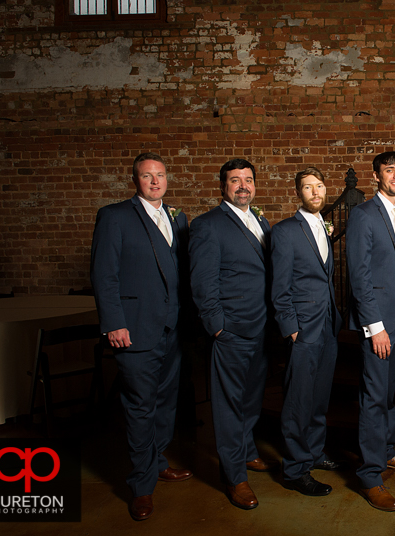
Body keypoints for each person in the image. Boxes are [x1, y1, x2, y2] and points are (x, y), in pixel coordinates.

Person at [90, 152, 192, 521]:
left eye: (160, 175)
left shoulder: (177, 218)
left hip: (172, 328)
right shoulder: (115, 216)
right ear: (135, 180)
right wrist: (114, 323)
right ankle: (141, 485)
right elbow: (105, 275)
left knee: (165, 403)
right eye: (147, 176)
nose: (155, 181)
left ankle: (158, 462)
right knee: (139, 406)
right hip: (132, 329)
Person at [188, 158, 272, 510]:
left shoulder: (261, 221)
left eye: (248, 180)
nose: (243, 186)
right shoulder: (208, 225)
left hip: (262, 326)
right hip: (232, 330)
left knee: (252, 398)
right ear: (223, 186)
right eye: (235, 180)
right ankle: (234, 476)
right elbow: (201, 282)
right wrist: (217, 326)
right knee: (228, 405)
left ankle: (248, 450)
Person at [346, 151, 395, 512]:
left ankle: (388, 453)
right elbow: (358, 275)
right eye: (389, 170)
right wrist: (374, 328)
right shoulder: (362, 214)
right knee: (374, 398)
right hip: (376, 324)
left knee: (388, 394)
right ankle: (370, 475)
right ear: (376, 176)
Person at [270, 167, 342, 497]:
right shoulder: (285, 231)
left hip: (326, 324)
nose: (315, 192)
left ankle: (314, 452)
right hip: (303, 328)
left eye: (319, 185)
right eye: (307, 187)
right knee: (298, 400)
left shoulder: (323, 227)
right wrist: (291, 330)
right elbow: (279, 286)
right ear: (298, 193)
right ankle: (296, 469)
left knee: (320, 396)